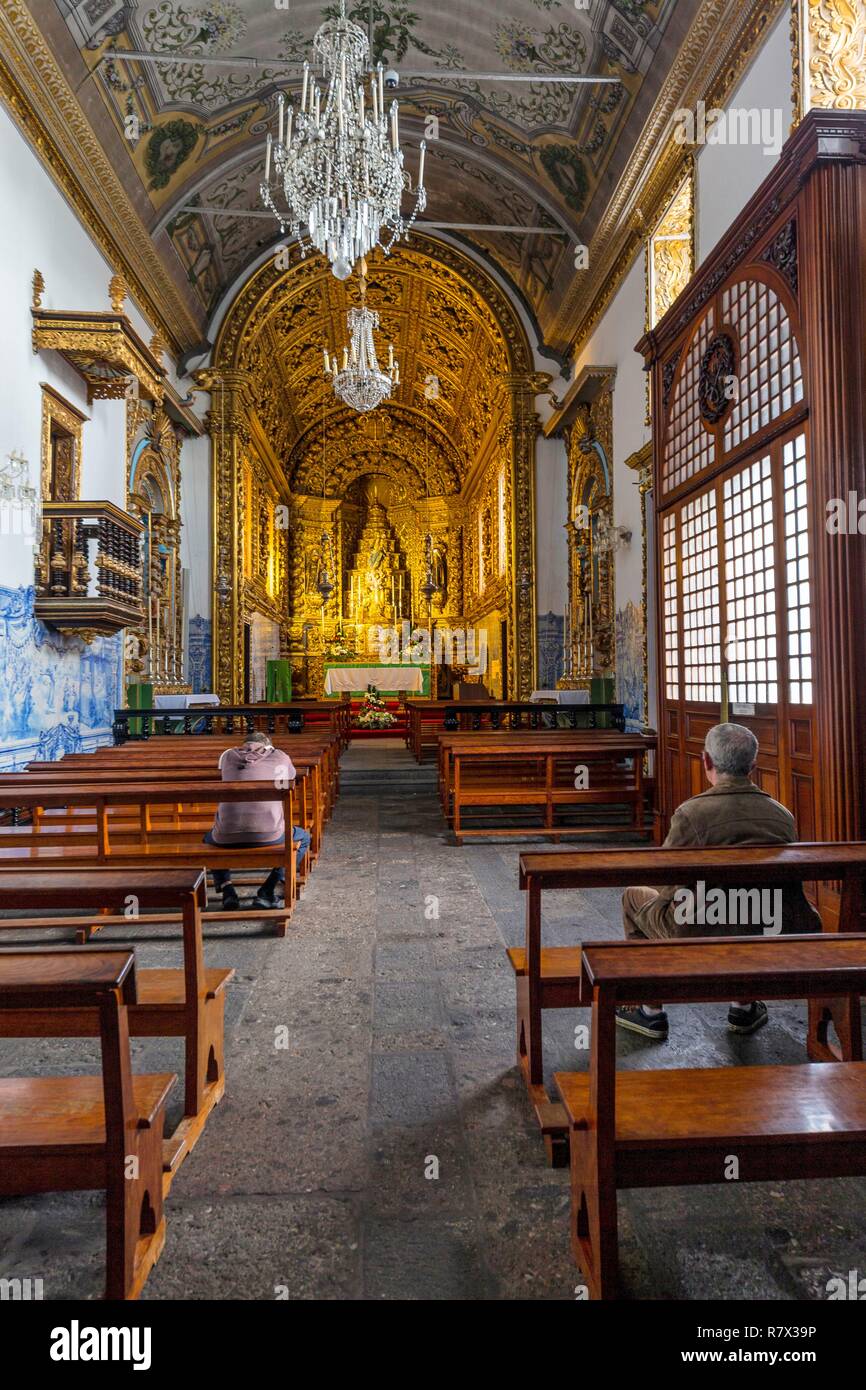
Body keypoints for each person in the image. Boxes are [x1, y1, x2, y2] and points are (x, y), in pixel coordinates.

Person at [617, 722, 822, 1041]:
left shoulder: (692, 813)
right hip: (770, 924)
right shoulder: (781, 815)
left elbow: (664, 877)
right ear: (752, 766)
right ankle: (742, 1005)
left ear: (706, 762)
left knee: (634, 897)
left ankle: (650, 1009)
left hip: (703, 927)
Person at [204, 732, 312, 911]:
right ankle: (268, 891)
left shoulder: (229, 755)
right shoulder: (279, 757)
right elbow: (288, 782)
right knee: (303, 838)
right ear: (268, 746)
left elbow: (223, 772)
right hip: (269, 833)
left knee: (208, 840)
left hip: (225, 836)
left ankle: (227, 889)